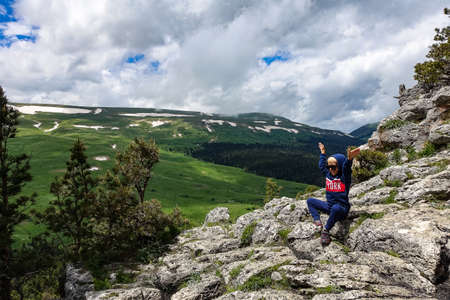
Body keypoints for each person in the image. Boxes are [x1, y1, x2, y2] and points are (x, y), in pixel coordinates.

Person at [307, 142, 360, 246]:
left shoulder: (344, 177)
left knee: (336, 208)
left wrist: (349, 159)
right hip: (330, 206)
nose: (330, 169)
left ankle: (326, 230)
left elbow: (346, 168)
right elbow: (322, 166)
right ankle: (317, 220)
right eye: (329, 167)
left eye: (333, 167)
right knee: (310, 201)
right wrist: (323, 153)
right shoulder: (328, 174)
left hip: (342, 208)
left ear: (339, 166)